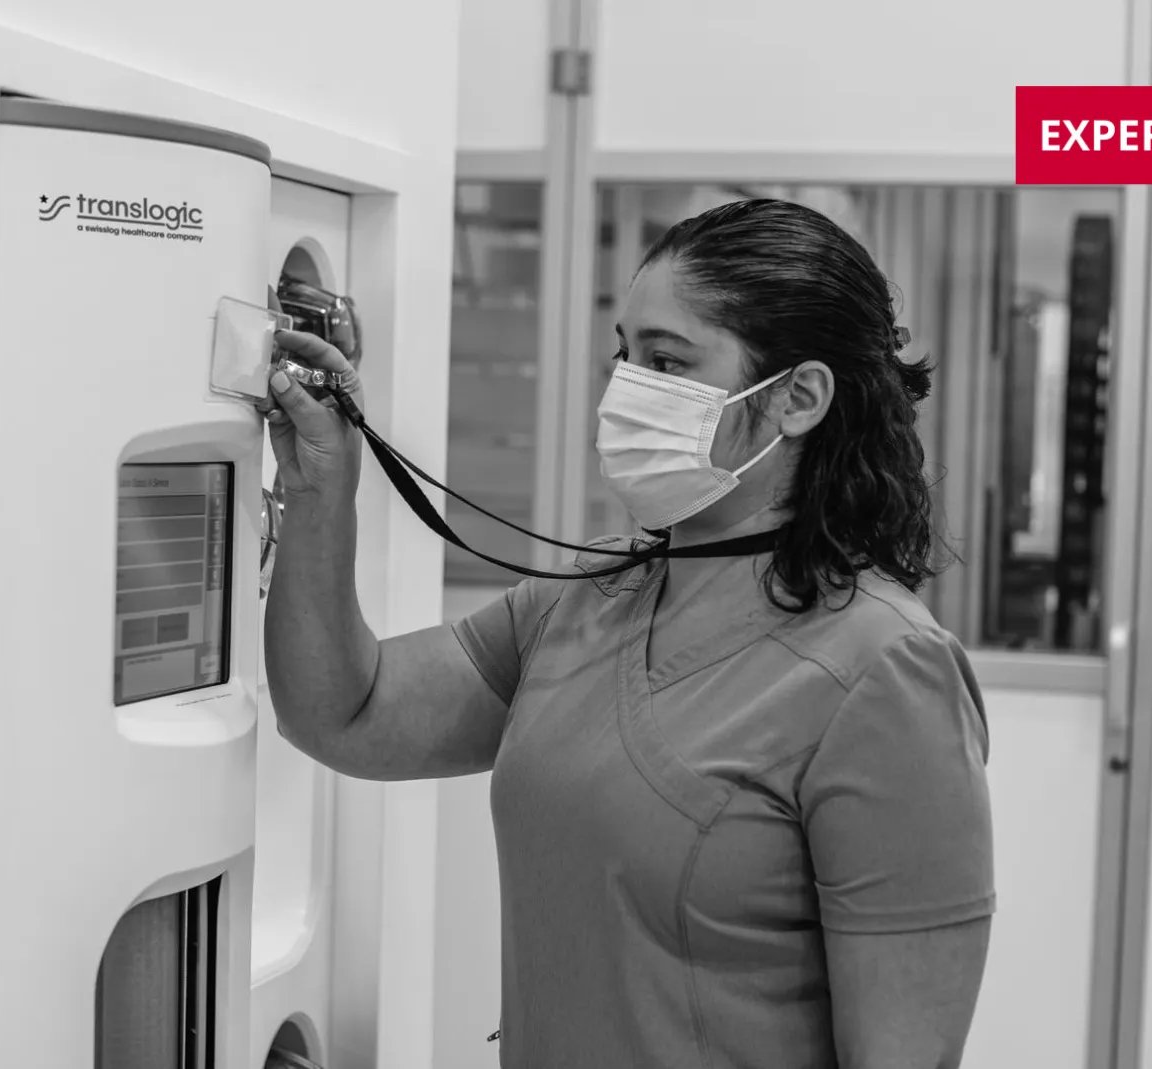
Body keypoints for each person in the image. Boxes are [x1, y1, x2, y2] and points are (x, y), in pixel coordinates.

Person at [263, 198, 994, 1069]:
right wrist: (319, 493)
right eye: (627, 353)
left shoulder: (886, 669)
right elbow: (347, 711)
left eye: (668, 361)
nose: (627, 388)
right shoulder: (590, 594)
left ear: (797, 397)